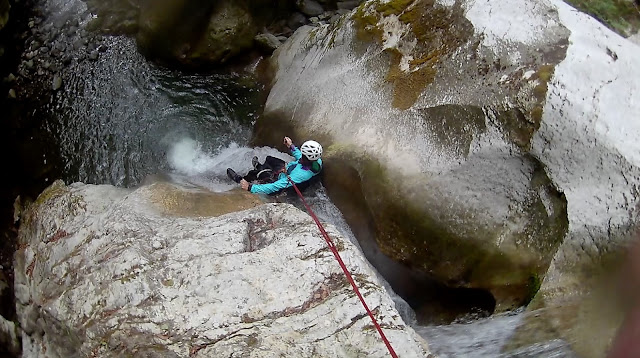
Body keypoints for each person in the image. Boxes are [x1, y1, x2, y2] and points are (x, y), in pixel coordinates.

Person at [226, 136, 323, 195]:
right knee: (269, 159)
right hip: (288, 170)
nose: (301, 155)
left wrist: (251, 188)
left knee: (260, 174)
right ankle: (259, 167)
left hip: (284, 182)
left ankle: (242, 180)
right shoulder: (316, 161)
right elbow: (300, 157)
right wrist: (291, 146)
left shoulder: (299, 175)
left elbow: (276, 186)